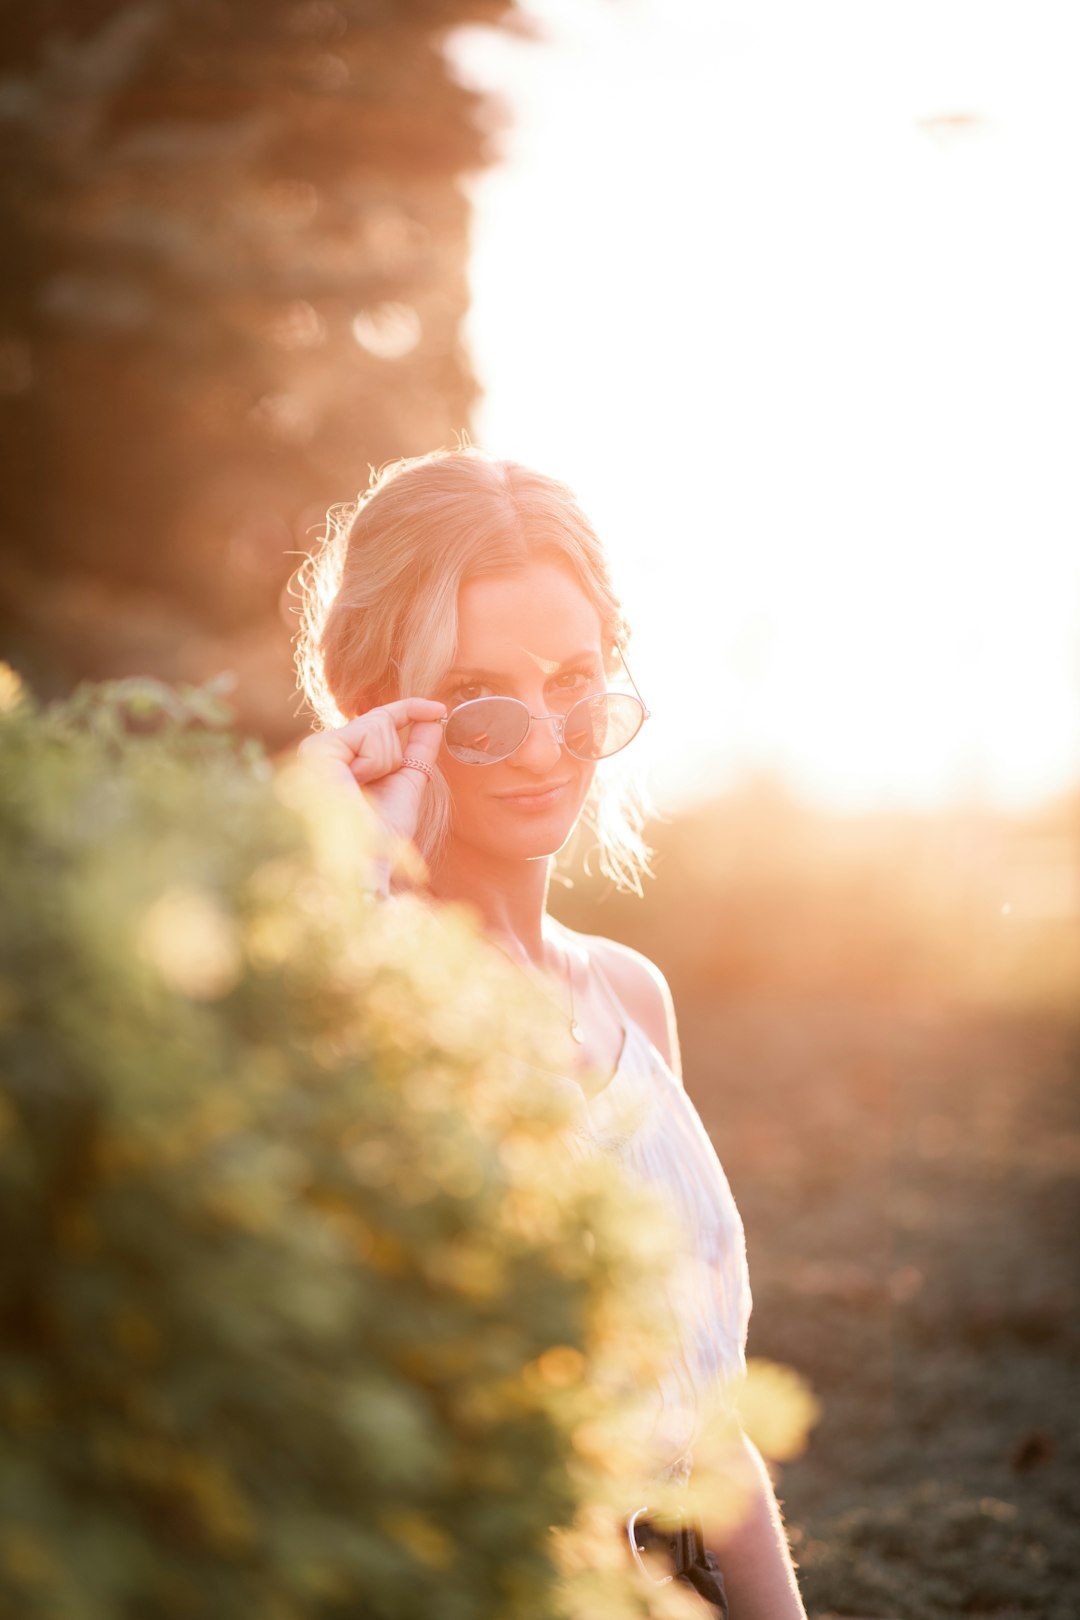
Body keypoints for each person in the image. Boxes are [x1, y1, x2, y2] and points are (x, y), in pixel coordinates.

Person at [293, 446, 807, 1620]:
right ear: (378, 703)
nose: (538, 744)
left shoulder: (633, 996)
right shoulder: (359, 1003)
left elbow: (710, 1428)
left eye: (575, 685)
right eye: (478, 702)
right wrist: (343, 867)